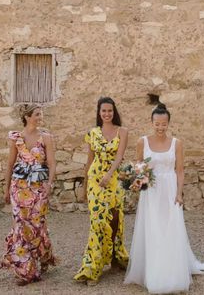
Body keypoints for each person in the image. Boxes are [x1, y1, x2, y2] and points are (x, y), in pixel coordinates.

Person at [124, 103, 204, 294]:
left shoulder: (177, 143)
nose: (160, 127)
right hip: (151, 191)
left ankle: (173, 269)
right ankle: (153, 271)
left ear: (168, 123)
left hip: (170, 188)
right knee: (153, 227)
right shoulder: (142, 142)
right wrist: (138, 180)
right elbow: (138, 166)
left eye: (164, 124)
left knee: (170, 227)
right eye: (157, 123)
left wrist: (179, 193)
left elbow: (180, 171)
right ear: (152, 122)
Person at [0, 104, 57, 285]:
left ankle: (45, 257)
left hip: (38, 187)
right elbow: (10, 164)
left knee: (37, 225)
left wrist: (49, 184)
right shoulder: (16, 138)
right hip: (19, 187)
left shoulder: (46, 137)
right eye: (37, 114)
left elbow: (52, 164)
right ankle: (26, 270)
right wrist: (6, 188)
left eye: (41, 114)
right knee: (20, 225)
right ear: (27, 117)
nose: (40, 117)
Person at [74, 97, 129, 285]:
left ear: (114, 112)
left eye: (110, 111)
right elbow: (89, 160)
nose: (107, 114)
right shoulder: (93, 133)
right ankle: (92, 267)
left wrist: (109, 175)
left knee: (114, 220)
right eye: (104, 111)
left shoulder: (122, 131)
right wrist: (85, 185)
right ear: (99, 112)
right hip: (95, 180)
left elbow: (120, 156)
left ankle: (115, 257)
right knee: (97, 221)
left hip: (113, 179)